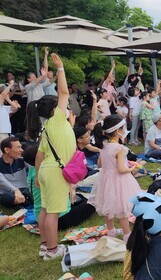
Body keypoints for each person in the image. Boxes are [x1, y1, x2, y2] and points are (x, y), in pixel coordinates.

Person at [32, 53, 74, 260]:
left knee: (45, 209)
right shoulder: (56, 119)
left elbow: (39, 155)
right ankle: (52, 250)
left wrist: (38, 177)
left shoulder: (47, 127)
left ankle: (43, 245)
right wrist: (60, 69)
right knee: (53, 213)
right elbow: (64, 91)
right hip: (56, 172)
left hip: (46, 170)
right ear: (54, 108)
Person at [89, 115, 142, 242]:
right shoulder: (120, 148)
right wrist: (131, 169)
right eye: (123, 128)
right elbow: (121, 169)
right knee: (122, 209)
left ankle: (111, 231)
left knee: (108, 206)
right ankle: (127, 235)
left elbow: (100, 164)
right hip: (119, 180)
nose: (125, 130)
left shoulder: (104, 146)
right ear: (118, 131)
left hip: (106, 179)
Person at [23, 144, 95, 232]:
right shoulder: (46, 172)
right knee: (92, 202)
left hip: (43, 214)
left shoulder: (33, 171)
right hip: (58, 218)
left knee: (82, 198)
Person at [0, 137, 32, 208]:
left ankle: (22, 202)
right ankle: (24, 202)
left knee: (33, 194)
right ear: (7, 150)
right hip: (8, 192)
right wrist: (15, 190)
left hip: (24, 191)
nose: (21, 150)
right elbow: (1, 181)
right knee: (7, 197)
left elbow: (34, 168)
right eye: (18, 147)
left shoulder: (22, 160)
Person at [1, 81, 21, 151]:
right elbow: (3, 95)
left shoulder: (3, 108)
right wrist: (11, 84)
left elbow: (16, 108)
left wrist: (9, 100)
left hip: (5, 132)